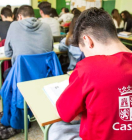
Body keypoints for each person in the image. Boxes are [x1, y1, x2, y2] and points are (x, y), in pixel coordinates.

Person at [49, 8, 132, 140]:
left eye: (84, 51)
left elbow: (65, 114)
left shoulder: (88, 68)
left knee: (55, 128)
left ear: (87, 40)